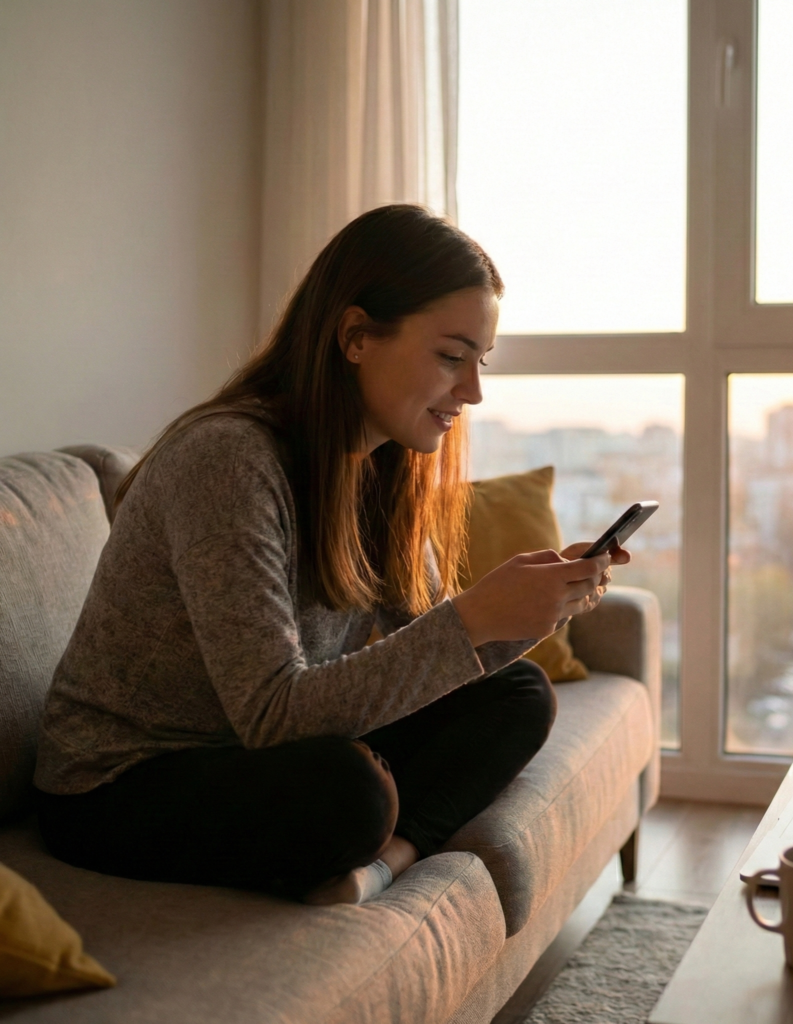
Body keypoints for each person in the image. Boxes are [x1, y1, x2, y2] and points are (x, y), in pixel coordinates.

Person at [32, 205, 628, 904]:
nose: (472, 392)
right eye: (451, 356)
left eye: (479, 363)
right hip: (122, 783)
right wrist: (473, 619)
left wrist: (525, 612)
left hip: (254, 751)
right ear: (354, 335)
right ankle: (374, 837)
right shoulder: (227, 459)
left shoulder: (382, 465)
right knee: (349, 792)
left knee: (518, 695)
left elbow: (419, 659)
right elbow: (272, 714)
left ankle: (384, 865)